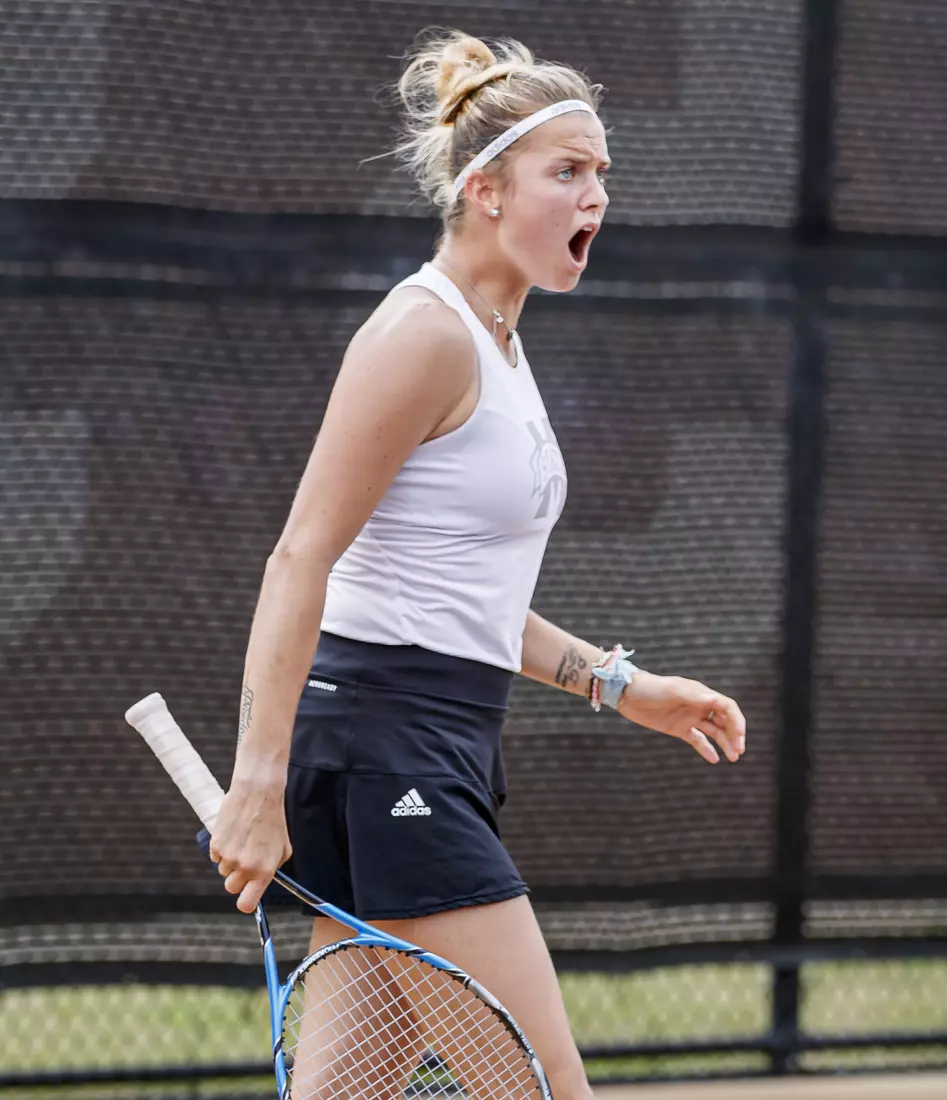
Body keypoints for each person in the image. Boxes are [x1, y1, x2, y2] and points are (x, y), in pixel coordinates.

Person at [205, 29, 748, 1100]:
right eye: (570, 172)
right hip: (384, 748)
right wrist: (257, 783)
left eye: (603, 174)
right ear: (488, 190)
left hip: (429, 737)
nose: (598, 195)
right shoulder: (424, 335)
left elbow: (468, 600)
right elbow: (299, 556)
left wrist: (620, 683)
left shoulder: (499, 340)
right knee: (544, 1087)